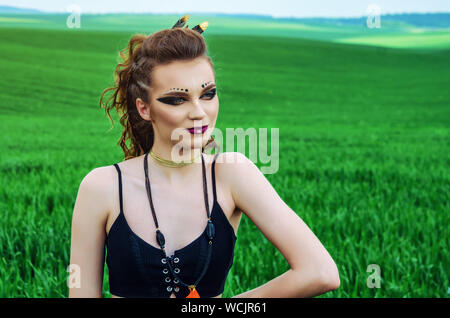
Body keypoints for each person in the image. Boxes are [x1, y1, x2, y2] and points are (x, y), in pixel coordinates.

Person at [68, 14, 340, 298]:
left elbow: (320, 272)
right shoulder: (101, 187)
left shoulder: (231, 174)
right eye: (177, 99)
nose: (199, 111)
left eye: (208, 94)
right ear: (144, 108)